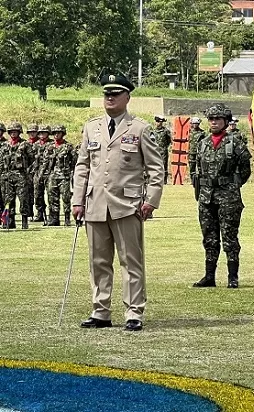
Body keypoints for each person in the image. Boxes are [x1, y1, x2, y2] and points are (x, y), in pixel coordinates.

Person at [72, 74, 164, 331]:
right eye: (106, 94)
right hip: (95, 204)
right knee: (98, 261)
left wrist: (151, 201)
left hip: (128, 204)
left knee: (130, 260)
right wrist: (77, 200)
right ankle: (100, 311)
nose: (110, 98)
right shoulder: (92, 127)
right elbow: (83, 166)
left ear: (127, 97)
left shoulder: (140, 128)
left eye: (116, 93)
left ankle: (134, 312)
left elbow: (156, 168)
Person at [192, 103, 251, 288]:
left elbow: (245, 169)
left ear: (225, 121)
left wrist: (232, 185)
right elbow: (197, 169)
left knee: (229, 237)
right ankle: (209, 276)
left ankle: (232, 277)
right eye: (211, 119)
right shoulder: (202, 143)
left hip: (228, 197)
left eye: (218, 119)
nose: (214, 122)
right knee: (209, 237)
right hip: (206, 197)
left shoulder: (235, 142)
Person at [1, 122, 33, 229]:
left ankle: (24, 221)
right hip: (7, 175)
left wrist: (26, 170)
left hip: (20, 175)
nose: (13, 134)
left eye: (15, 132)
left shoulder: (25, 144)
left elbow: (31, 158)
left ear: (19, 132)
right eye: (11, 132)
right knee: (8, 200)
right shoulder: (4, 145)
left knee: (23, 199)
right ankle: (9, 221)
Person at [43, 125, 76, 226]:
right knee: (52, 198)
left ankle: (67, 218)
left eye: (59, 133)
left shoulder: (68, 146)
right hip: (52, 176)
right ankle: (54, 219)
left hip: (64, 176)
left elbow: (74, 161)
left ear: (63, 134)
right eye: (54, 133)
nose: (56, 135)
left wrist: (71, 173)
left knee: (66, 198)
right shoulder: (49, 147)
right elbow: (45, 162)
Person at [33, 125, 52, 224]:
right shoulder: (35, 145)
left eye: (44, 133)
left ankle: (52, 215)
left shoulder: (52, 144)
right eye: (40, 133)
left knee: (51, 195)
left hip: (49, 173)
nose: (41, 135)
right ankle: (40, 213)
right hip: (37, 172)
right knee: (37, 194)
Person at [153, 115, 172, 185]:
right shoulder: (153, 131)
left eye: (160, 122)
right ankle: (156, 180)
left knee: (164, 166)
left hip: (163, 151)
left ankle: (164, 181)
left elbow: (169, 141)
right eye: (158, 122)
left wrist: (165, 147)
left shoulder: (166, 131)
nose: (159, 123)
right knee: (155, 166)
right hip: (155, 151)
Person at [26, 124, 39, 221]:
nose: (32, 134)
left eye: (34, 132)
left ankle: (40, 213)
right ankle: (29, 212)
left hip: (39, 172)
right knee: (28, 193)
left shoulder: (42, 144)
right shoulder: (25, 144)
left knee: (39, 194)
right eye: (30, 132)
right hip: (28, 172)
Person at [188, 117, 206, 183]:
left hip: (200, 153)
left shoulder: (202, 133)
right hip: (191, 152)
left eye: (197, 123)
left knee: (200, 167)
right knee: (191, 167)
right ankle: (192, 181)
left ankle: (201, 180)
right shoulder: (189, 132)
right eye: (194, 123)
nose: (195, 125)